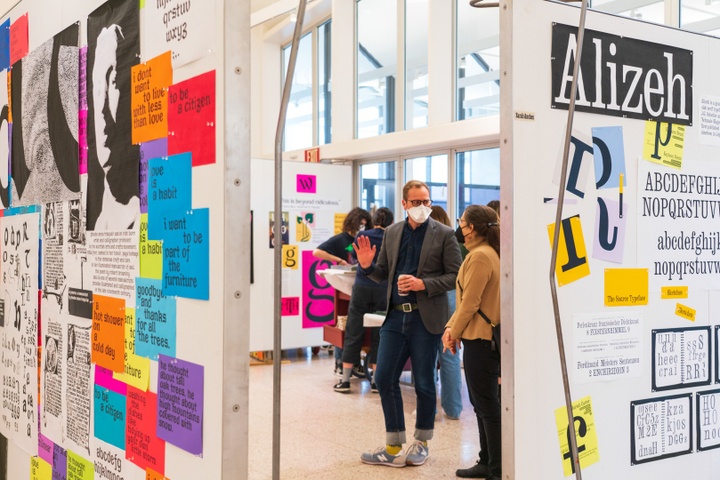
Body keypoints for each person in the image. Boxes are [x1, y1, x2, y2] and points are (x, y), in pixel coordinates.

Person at [354, 180, 461, 468]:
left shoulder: (445, 234)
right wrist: (367, 267)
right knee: (384, 377)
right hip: (395, 317)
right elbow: (383, 274)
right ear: (404, 204)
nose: (423, 207)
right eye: (416, 202)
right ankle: (392, 444)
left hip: (426, 319)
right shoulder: (392, 232)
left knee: (424, 381)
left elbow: (455, 275)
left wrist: (422, 284)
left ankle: (421, 442)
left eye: (426, 201)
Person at [443, 205, 501, 479]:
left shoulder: (480, 257)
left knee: (487, 405)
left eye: (463, 224)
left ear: (474, 228)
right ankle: (487, 461)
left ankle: (496, 466)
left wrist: (453, 333)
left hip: (481, 340)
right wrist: (451, 328)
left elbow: (470, 303)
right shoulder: (487, 253)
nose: (460, 230)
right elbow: (467, 303)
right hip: (478, 338)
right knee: (482, 404)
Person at [333, 207, 394, 394]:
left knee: (353, 331)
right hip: (383, 288)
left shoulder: (361, 236)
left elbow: (351, 254)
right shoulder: (392, 237)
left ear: (372, 220)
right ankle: (375, 381)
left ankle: (345, 381)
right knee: (379, 334)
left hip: (361, 287)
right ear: (391, 222)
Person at [314, 207, 373, 376]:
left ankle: (354, 362)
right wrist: (338, 259)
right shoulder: (341, 239)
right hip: (344, 288)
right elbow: (317, 252)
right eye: (359, 224)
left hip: (362, 286)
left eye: (365, 225)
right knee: (343, 323)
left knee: (359, 327)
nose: (362, 228)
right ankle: (341, 362)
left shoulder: (366, 240)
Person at [428, 205, 463, 419]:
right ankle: (454, 408)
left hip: (433, 297)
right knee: (450, 353)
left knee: (429, 355)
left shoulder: (429, 241)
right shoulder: (455, 241)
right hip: (454, 297)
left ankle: (429, 409)